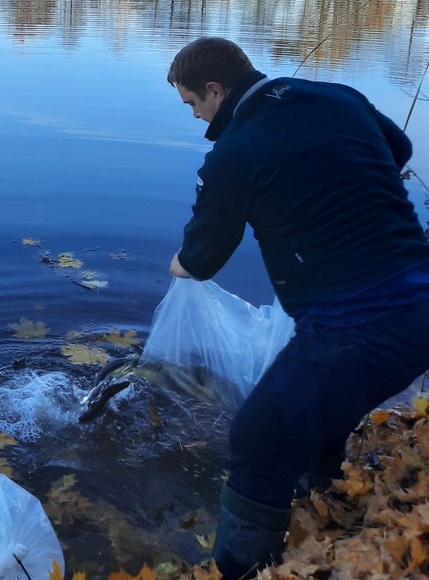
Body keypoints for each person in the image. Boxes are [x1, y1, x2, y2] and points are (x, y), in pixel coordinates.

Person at [166, 37, 429, 579]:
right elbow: (397, 150)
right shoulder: (338, 96)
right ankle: (323, 507)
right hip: (420, 296)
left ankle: (240, 571)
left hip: (362, 327)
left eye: (193, 103)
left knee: (257, 439)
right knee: (314, 413)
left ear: (216, 90)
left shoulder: (234, 153)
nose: (195, 115)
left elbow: (203, 258)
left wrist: (179, 264)